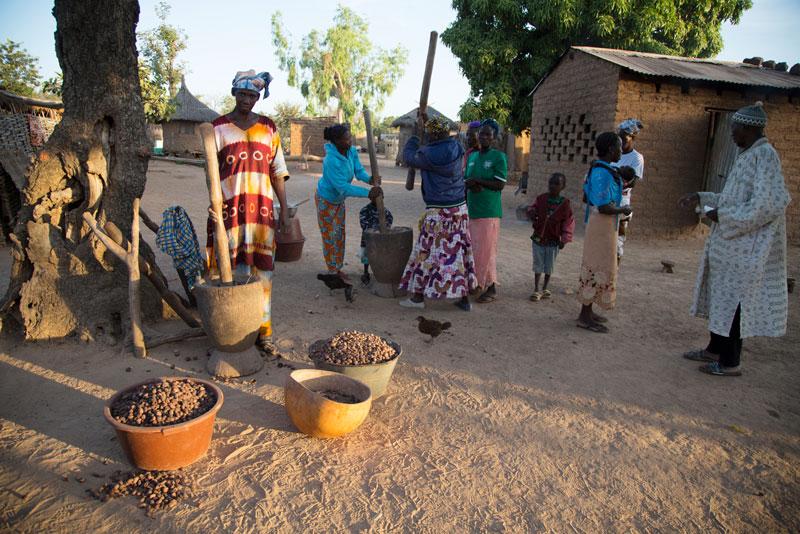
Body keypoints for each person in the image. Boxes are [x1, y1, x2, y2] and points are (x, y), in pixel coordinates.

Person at [678, 102, 790, 377]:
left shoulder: (765, 157)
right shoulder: (747, 155)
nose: (732, 134)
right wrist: (702, 197)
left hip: (747, 249)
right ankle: (714, 349)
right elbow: (734, 200)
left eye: (735, 129)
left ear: (749, 129)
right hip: (730, 248)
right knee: (722, 299)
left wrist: (723, 216)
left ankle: (730, 362)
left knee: (736, 303)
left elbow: (766, 207)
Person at [205, 70, 289, 351]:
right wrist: (213, 202)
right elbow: (211, 173)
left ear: (257, 98)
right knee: (229, 271)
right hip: (229, 211)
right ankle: (232, 331)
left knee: (262, 273)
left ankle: (263, 331)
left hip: (262, 214)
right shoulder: (217, 128)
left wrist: (285, 210)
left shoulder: (269, 128)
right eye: (242, 94)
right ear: (234, 94)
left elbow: (277, 171)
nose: (247, 100)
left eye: (252, 95)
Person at [399, 114, 477, 311]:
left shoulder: (428, 154)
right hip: (460, 209)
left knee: (427, 252)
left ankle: (417, 298)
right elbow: (447, 139)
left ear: (430, 135)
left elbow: (408, 157)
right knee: (458, 251)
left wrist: (415, 138)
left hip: (438, 212)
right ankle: (464, 298)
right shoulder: (457, 146)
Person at [576, 132, 632, 333]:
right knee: (595, 266)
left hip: (602, 225)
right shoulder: (602, 172)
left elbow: (586, 197)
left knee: (598, 265)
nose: (620, 151)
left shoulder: (601, 169)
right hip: (601, 224)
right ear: (610, 149)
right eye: (618, 147)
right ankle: (584, 315)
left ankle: (588, 311)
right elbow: (603, 206)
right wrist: (623, 209)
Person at [315, 123, 383, 280]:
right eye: (346, 139)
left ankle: (337, 267)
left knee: (339, 234)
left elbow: (358, 171)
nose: (350, 141)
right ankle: (333, 270)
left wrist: (369, 179)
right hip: (326, 201)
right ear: (336, 141)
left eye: (350, 137)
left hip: (339, 202)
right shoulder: (330, 161)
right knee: (329, 236)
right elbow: (342, 188)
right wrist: (368, 193)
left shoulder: (351, 151)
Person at [465, 118, 507, 303]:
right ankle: (479, 283)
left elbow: (500, 184)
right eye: (481, 133)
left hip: (489, 212)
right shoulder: (472, 157)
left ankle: (489, 288)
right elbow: (467, 178)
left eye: (488, 134)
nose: (483, 137)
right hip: (472, 210)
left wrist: (479, 182)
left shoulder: (499, 157)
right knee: (475, 250)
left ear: (494, 138)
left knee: (487, 251)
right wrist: (471, 185)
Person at [526, 173, 574, 301]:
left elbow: (568, 222)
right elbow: (532, 208)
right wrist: (531, 212)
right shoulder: (541, 199)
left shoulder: (564, 204)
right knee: (538, 264)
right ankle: (536, 289)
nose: (552, 186)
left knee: (549, 265)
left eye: (556, 184)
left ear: (563, 186)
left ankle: (545, 287)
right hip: (538, 238)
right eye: (551, 183)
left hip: (553, 240)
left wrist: (564, 239)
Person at [614, 119, 644, 262]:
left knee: (618, 242)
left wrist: (614, 183)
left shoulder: (636, 158)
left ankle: (614, 271)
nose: (620, 139)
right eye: (619, 136)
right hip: (607, 199)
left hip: (622, 203)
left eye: (623, 136)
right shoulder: (614, 154)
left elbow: (632, 183)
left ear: (632, 137)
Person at [358, 198, 393, 285]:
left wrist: (385, 227)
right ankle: (366, 273)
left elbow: (390, 219)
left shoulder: (384, 210)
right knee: (367, 256)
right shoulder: (365, 210)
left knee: (380, 255)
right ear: (371, 198)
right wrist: (376, 230)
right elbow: (364, 224)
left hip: (381, 239)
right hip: (368, 239)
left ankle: (379, 273)